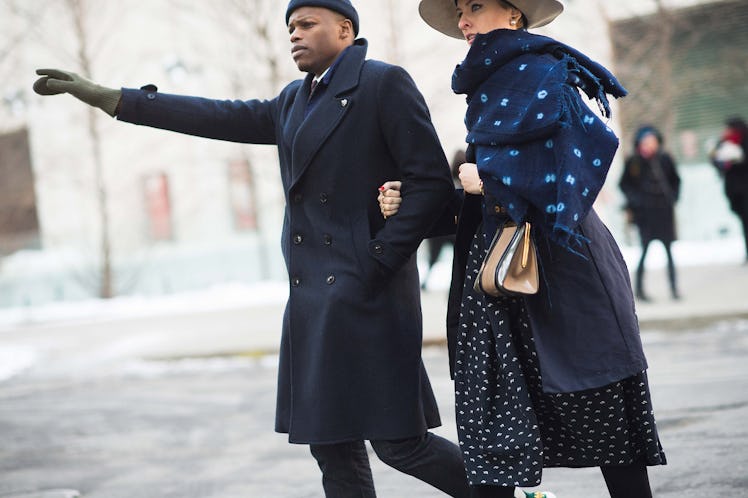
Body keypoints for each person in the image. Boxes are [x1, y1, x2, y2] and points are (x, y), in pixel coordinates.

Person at [32, 1, 474, 496]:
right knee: (331, 446)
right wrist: (116, 99)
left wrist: (378, 259)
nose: (295, 35)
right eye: (290, 27)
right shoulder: (292, 101)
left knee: (400, 444)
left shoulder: (382, 84)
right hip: (312, 300)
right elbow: (217, 116)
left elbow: (430, 184)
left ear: (345, 29)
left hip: (367, 294)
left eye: (307, 24)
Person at [379, 1, 667, 496]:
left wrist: (487, 180)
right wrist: (413, 207)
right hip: (502, 290)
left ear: (514, 15)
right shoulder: (489, 87)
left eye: (474, 6)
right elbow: (489, 206)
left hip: (565, 281)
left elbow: (575, 176)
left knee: (612, 442)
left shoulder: (544, 73)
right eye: (459, 11)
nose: (463, 20)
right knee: (494, 445)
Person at [619, 125, 682, 301]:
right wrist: (636, 201)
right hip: (645, 215)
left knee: (669, 251)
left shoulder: (665, 159)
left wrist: (673, 197)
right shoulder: (634, 161)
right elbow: (624, 184)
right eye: (646, 141)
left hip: (664, 212)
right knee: (644, 250)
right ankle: (639, 289)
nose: (649, 145)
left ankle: (674, 288)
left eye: (652, 141)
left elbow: (676, 180)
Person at [421, 149, 464, 290]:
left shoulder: (449, 183)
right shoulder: (466, 185)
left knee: (433, 257)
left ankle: (427, 280)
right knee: (459, 259)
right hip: (457, 230)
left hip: (443, 229)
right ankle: (456, 284)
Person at [710, 117, 748, 264]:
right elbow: (716, 161)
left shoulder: (744, 141)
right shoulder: (723, 143)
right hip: (734, 192)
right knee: (744, 222)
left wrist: (739, 158)